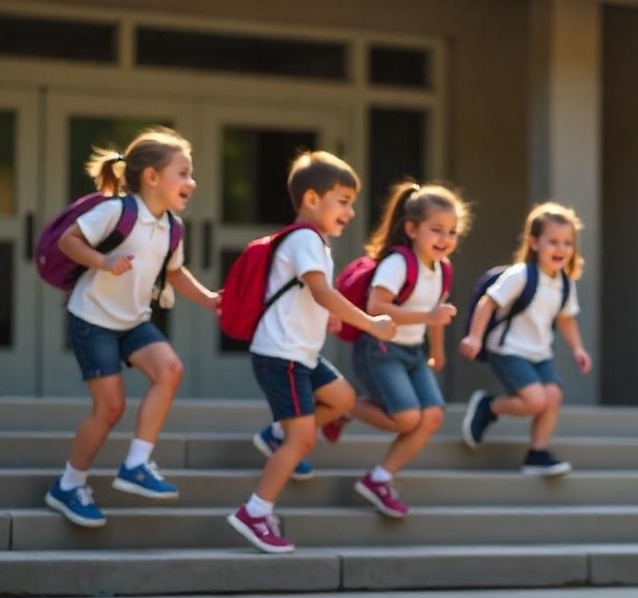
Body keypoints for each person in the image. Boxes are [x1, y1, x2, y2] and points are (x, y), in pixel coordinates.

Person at [45, 127, 220, 528]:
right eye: (183, 172)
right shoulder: (116, 212)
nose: (191, 182)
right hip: (92, 319)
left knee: (170, 370)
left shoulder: (172, 226)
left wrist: (209, 298)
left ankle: (137, 465)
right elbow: (69, 242)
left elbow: (174, 274)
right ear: (152, 177)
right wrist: (104, 262)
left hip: (132, 321)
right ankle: (69, 486)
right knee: (110, 407)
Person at [227, 151, 395, 554]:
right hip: (281, 355)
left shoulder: (312, 241)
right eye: (343, 201)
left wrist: (328, 318)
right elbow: (321, 291)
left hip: (299, 353)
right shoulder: (305, 238)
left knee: (343, 398)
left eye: (352, 203)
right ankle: (254, 511)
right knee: (301, 440)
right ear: (311, 200)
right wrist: (369, 323)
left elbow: (308, 296)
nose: (350, 212)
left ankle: (275, 435)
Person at [321, 181, 467, 518]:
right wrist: (428, 316)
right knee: (406, 419)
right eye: (437, 230)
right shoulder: (399, 263)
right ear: (412, 229)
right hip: (380, 349)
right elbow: (376, 306)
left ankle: (380, 478)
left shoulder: (442, 269)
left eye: (453, 232)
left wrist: (437, 350)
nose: (445, 239)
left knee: (431, 416)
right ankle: (345, 407)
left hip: (413, 352)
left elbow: (437, 313)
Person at [459, 201, 592, 476]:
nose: (560, 249)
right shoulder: (520, 275)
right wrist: (474, 336)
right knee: (535, 401)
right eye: (552, 241)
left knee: (553, 396)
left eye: (567, 243)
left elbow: (566, 318)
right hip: (507, 349)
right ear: (534, 242)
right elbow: (488, 302)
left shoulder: (565, 282)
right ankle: (489, 406)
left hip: (539, 353)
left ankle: (537, 454)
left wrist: (578, 347)